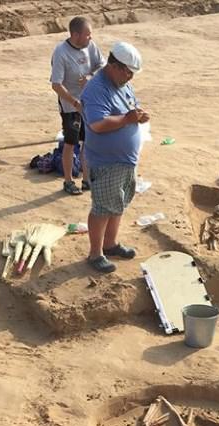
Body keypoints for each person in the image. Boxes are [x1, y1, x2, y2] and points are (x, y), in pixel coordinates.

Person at [80, 42, 149, 273]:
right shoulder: (97, 88)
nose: (130, 77)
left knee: (118, 204)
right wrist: (127, 120)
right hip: (106, 161)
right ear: (115, 66)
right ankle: (95, 253)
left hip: (125, 160)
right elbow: (98, 124)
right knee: (102, 207)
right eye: (128, 72)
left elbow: (130, 107)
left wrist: (138, 115)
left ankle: (110, 244)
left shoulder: (122, 84)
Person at [50, 16, 106, 196]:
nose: (91, 37)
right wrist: (75, 103)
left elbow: (102, 65)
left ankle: (87, 180)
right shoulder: (61, 52)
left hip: (89, 102)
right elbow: (56, 84)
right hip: (70, 106)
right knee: (70, 142)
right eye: (87, 34)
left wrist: (92, 76)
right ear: (75, 35)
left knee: (88, 141)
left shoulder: (90, 46)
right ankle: (68, 181)